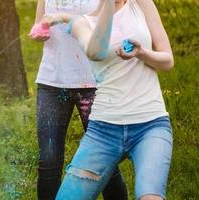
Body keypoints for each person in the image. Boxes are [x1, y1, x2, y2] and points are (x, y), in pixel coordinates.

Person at [41, 0, 175, 199]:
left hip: (150, 125)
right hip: (103, 132)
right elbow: (96, 52)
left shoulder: (142, 4)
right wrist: (109, 7)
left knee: (150, 196)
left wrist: (142, 53)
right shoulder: (82, 22)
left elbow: (168, 61)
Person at [29, 0, 127, 199]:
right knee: (48, 161)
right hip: (52, 81)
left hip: (94, 83)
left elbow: (113, 27)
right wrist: (39, 31)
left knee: (104, 159)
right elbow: (39, 24)